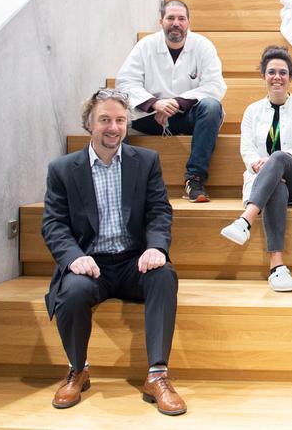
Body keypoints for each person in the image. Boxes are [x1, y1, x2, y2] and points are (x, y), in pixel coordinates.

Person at [41, 89, 185, 415]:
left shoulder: (145, 161)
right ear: (89, 124)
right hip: (90, 263)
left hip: (134, 260)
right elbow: (54, 224)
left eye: (120, 120)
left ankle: (157, 376)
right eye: (104, 119)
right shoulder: (63, 169)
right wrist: (73, 257)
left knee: (164, 277)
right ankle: (78, 369)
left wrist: (156, 247)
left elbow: (159, 212)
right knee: (72, 291)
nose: (113, 127)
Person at [220, 46, 292, 291]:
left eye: (282, 72)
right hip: (265, 182)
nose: (277, 77)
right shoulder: (252, 111)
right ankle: (277, 268)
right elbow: (246, 149)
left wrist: (275, 160)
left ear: (290, 77)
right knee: (276, 186)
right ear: (263, 75)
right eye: (271, 72)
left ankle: (246, 220)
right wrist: (256, 163)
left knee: (279, 157)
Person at [116, 0, 226, 203]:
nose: (176, 23)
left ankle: (194, 179)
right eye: (170, 18)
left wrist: (177, 102)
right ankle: (122, 180)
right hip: (150, 117)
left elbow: (215, 86)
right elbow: (125, 83)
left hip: (187, 117)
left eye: (181, 18)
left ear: (188, 22)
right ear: (161, 22)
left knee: (212, 107)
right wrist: (154, 103)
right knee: (112, 111)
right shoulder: (145, 46)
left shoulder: (203, 46)